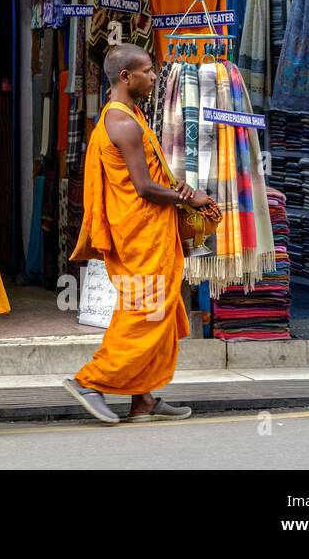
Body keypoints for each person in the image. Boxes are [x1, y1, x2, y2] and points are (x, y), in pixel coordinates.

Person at [63, 43, 220, 424]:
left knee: (153, 314)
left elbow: (151, 180)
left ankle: (143, 399)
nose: (153, 77)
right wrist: (192, 198)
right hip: (141, 234)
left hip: (147, 231)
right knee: (143, 315)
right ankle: (90, 382)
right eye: (148, 71)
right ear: (125, 77)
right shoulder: (123, 122)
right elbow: (144, 188)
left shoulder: (127, 115)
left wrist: (177, 190)